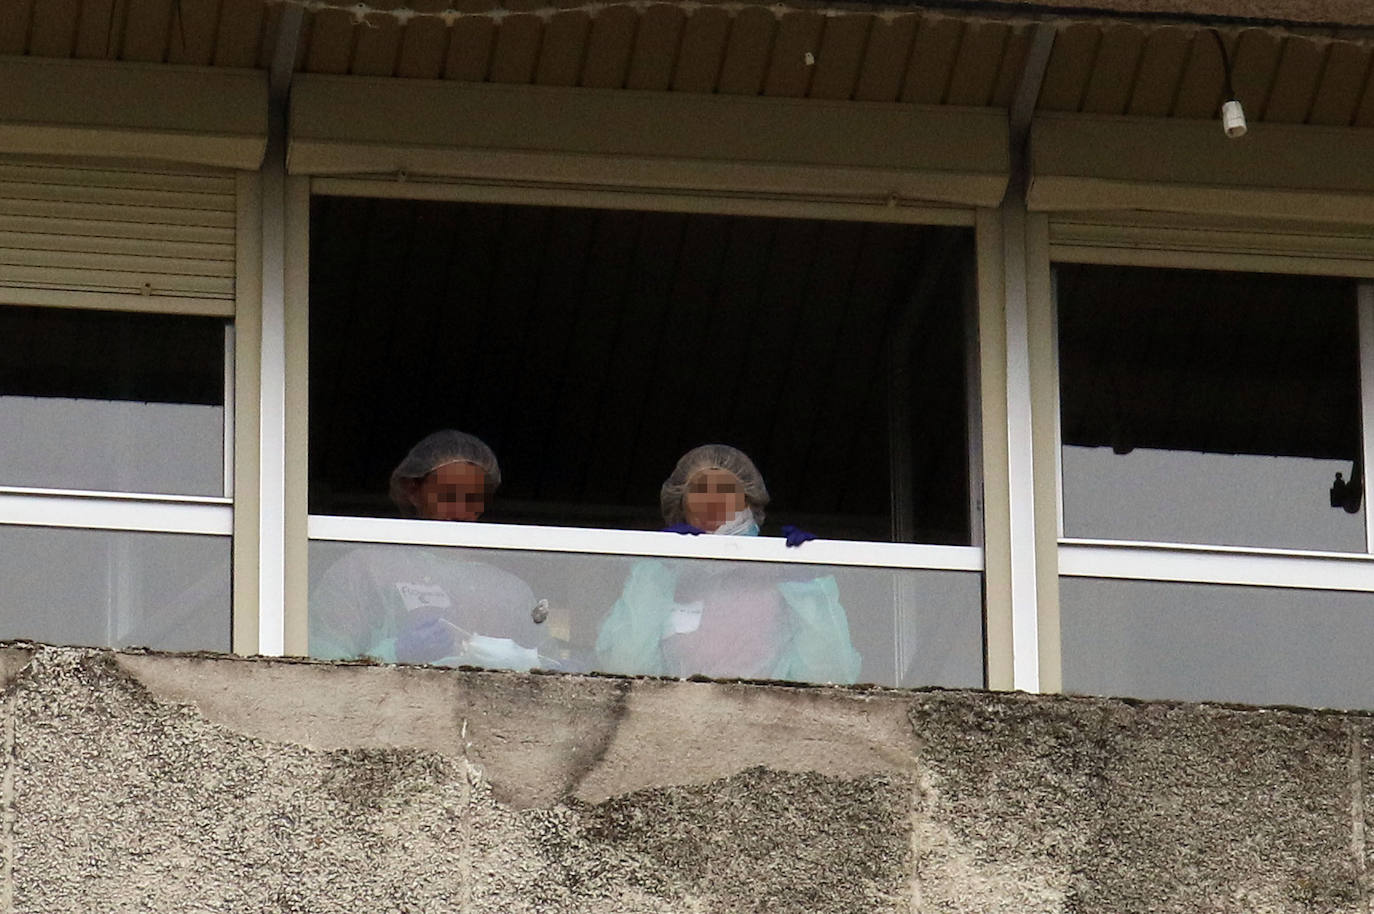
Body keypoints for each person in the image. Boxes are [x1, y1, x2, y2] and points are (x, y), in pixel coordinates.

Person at [595, 444, 862, 683]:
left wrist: (806, 584)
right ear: (682, 507)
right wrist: (658, 570)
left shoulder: (782, 574)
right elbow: (623, 667)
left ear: (748, 502)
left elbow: (831, 675)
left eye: (725, 490)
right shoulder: (662, 580)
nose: (712, 502)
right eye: (700, 492)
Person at [309, 430, 553, 670]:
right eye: (448, 496)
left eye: (471, 499)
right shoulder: (366, 569)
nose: (460, 512)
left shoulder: (510, 591)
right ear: (413, 491)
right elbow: (323, 670)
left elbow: (546, 667)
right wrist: (392, 652)